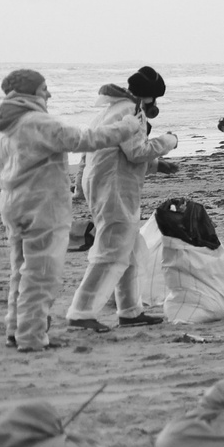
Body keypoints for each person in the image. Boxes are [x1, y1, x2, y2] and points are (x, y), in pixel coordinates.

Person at [0, 70, 145, 351]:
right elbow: (83, 139)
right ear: (30, 93)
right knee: (41, 274)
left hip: (14, 204)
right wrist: (128, 126)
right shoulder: (37, 122)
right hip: (42, 208)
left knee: (20, 271)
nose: (48, 94)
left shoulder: (5, 128)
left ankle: (16, 331)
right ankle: (32, 338)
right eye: (44, 89)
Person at [66, 67, 179, 333]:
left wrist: (157, 165)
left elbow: (117, 152)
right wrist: (169, 141)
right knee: (110, 250)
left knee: (128, 249)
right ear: (149, 96)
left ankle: (130, 310)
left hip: (105, 182)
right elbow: (136, 153)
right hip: (114, 188)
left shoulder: (112, 109)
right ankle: (80, 312)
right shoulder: (131, 113)